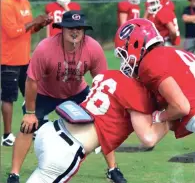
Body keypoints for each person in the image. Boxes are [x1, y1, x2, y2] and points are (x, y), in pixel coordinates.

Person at [114, 18, 195, 183]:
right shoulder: (179, 53)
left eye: (124, 52)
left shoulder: (150, 62)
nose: (124, 60)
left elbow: (181, 106)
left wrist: (159, 116)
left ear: (135, 43)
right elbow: (152, 136)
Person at [7, 11, 127, 183]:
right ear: (61, 29)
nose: (75, 31)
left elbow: (102, 80)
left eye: (79, 28)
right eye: (70, 27)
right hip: (45, 93)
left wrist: (104, 107)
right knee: (28, 125)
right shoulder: (45, 48)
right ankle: (14, 173)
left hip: (77, 92)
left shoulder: (93, 48)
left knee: (102, 123)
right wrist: (30, 112)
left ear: (84, 30)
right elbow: (32, 80)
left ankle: (113, 169)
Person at [26, 70, 170, 182]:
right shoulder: (137, 93)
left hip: (49, 130)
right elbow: (148, 138)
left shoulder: (110, 74)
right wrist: (171, 119)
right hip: (65, 149)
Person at [1, 0, 52, 146]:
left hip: (24, 58)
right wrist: (34, 21)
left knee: (32, 94)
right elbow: (13, 32)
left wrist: (40, 24)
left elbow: (28, 30)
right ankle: (7, 135)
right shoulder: (5, 4)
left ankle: (35, 128)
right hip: (8, 60)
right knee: (8, 98)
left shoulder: (25, 2)